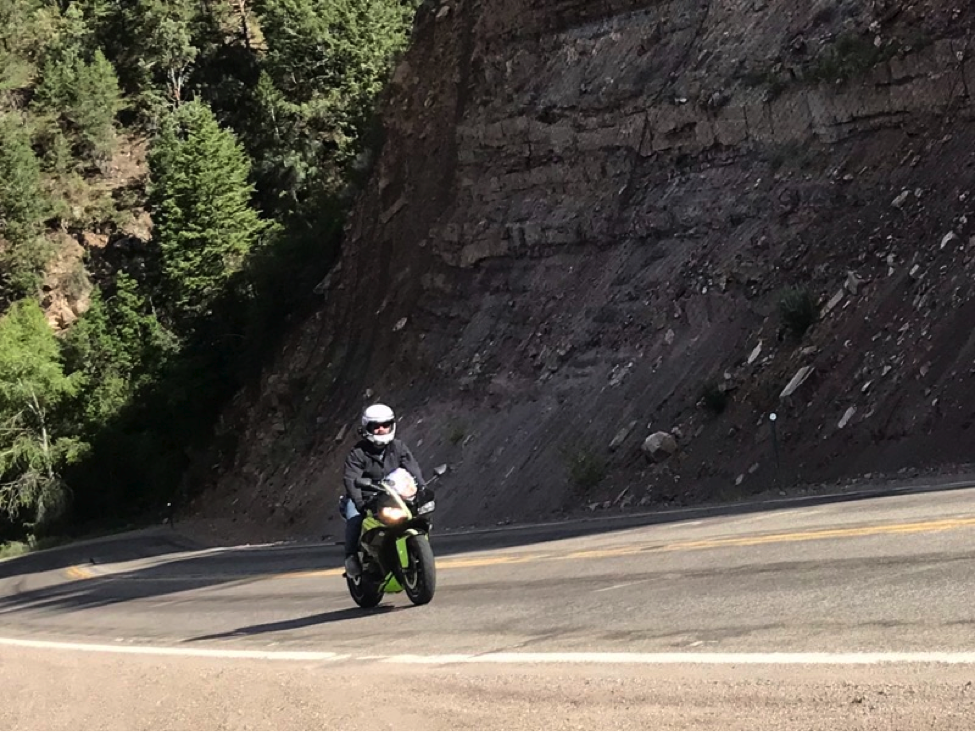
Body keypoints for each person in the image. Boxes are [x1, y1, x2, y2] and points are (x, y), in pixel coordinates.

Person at [341, 403, 425, 577]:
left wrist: (422, 488)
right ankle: (351, 557)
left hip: (395, 494)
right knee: (355, 517)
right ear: (367, 428)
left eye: (385, 425)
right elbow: (351, 479)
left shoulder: (399, 447)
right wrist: (359, 502)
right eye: (376, 426)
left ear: (392, 425)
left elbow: (413, 469)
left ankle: (417, 549)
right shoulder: (358, 453)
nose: (381, 429)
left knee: (418, 512)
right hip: (366, 495)